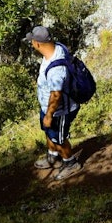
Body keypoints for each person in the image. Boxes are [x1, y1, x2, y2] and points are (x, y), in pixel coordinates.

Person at [26, 25, 84, 181]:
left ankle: (70, 163)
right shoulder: (57, 47)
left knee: (60, 138)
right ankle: (53, 157)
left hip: (60, 111)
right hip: (49, 108)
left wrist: (49, 115)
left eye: (32, 41)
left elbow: (56, 94)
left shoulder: (56, 70)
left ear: (37, 44)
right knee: (49, 132)